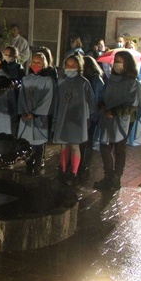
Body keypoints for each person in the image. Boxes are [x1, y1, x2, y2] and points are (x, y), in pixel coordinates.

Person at [94, 51, 141, 192]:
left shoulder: (132, 83)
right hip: (107, 118)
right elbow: (103, 95)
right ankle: (108, 176)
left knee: (119, 148)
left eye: (120, 61)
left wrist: (115, 112)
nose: (116, 64)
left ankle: (116, 177)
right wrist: (102, 106)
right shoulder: (110, 81)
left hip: (123, 120)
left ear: (127, 64)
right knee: (105, 147)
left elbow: (132, 104)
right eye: (115, 61)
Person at [52, 55, 96, 185]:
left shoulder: (84, 83)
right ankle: (63, 170)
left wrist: (90, 118)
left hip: (78, 118)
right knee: (64, 144)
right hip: (63, 117)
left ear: (79, 67)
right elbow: (56, 101)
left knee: (75, 145)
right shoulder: (60, 82)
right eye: (68, 65)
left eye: (73, 65)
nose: (70, 68)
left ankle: (74, 172)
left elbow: (91, 101)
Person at [17, 51, 54, 174]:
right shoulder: (26, 79)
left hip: (39, 117)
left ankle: (37, 166)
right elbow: (21, 96)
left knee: (38, 142)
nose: (35, 64)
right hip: (26, 116)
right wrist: (23, 111)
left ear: (44, 64)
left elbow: (48, 98)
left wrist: (36, 113)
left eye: (39, 62)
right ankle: (28, 165)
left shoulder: (48, 80)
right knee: (26, 143)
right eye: (34, 62)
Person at [79, 55, 105, 180]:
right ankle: (80, 162)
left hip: (91, 115)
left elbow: (97, 99)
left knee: (87, 139)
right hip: (83, 114)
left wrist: (93, 114)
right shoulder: (84, 79)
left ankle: (85, 163)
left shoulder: (96, 80)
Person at [3, 46, 25, 136]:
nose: (7, 57)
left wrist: (15, 83)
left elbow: (21, 81)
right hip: (3, 94)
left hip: (14, 95)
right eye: (6, 55)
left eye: (9, 55)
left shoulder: (19, 68)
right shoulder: (2, 65)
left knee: (13, 119)